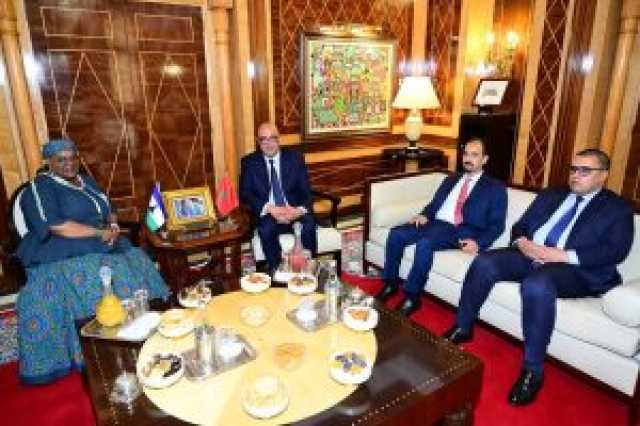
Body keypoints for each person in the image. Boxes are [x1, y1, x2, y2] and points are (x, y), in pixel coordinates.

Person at [443, 148, 634, 406]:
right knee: (485, 262)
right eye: (573, 169)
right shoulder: (552, 194)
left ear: (603, 175)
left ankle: (533, 370)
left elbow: (615, 250)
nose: (576, 175)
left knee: (536, 285)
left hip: (575, 270)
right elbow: (520, 226)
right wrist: (523, 243)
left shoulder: (617, 208)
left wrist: (562, 255)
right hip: (531, 254)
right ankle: (463, 327)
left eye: (585, 171)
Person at [16, 138, 170, 385]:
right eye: (61, 160)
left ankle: (141, 332)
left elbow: (109, 207)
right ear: (49, 162)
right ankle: (99, 349)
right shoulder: (40, 186)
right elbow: (55, 226)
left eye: (72, 158)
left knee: (135, 260)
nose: (69, 163)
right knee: (92, 274)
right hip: (62, 245)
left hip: (102, 239)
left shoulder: (86, 181)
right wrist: (99, 233)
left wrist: (113, 225)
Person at [376, 138, 507, 316]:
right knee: (396, 234)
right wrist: (424, 215)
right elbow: (434, 205)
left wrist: (479, 243)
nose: (468, 159)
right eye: (466, 154)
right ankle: (390, 284)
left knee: (425, 243)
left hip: (460, 230)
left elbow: (497, 225)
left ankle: (412, 297)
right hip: (435, 224)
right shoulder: (451, 179)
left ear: (484, 159)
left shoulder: (495, 188)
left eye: (474, 155)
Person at [239, 122, 317, 272]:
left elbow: (307, 191)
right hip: (269, 213)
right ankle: (279, 272)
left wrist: (298, 211)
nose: (268, 144)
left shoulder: (295, 158)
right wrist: (269, 208)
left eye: (272, 138)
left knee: (308, 225)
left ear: (278, 139)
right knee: (265, 229)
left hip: (293, 210)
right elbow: (245, 194)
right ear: (258, 142)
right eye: (263, 139)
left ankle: (308, 272)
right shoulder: (249, 162)